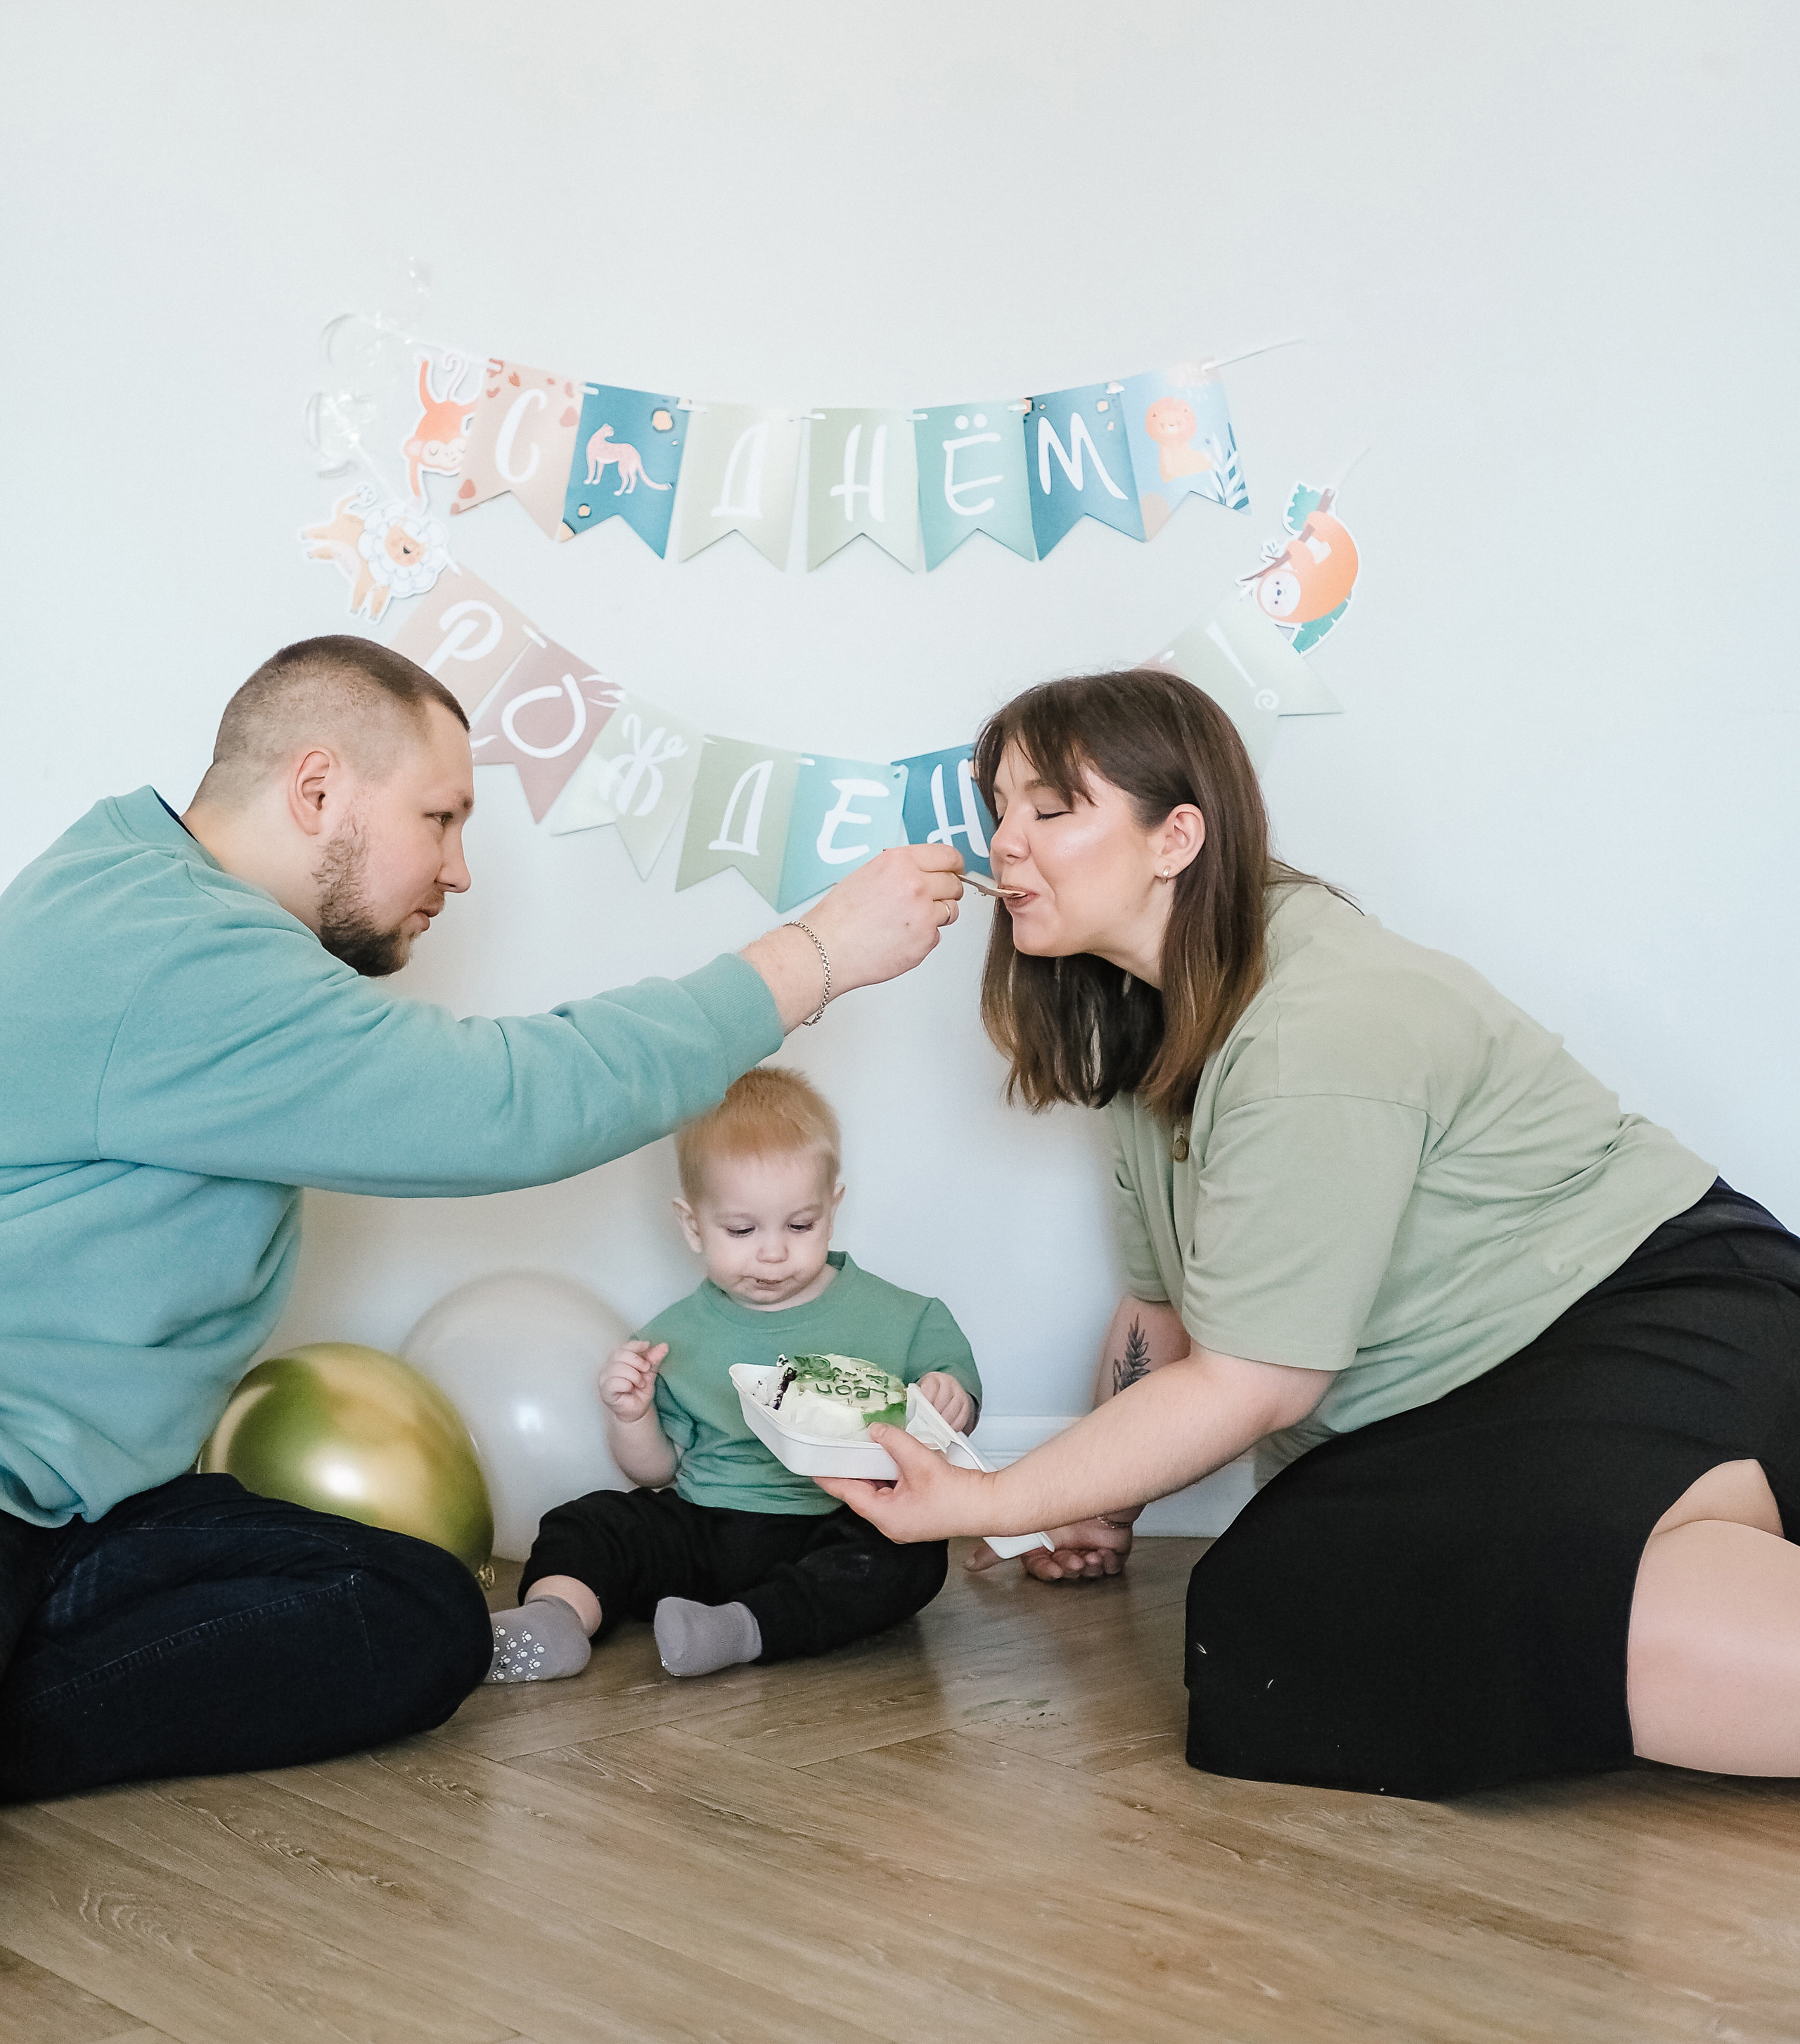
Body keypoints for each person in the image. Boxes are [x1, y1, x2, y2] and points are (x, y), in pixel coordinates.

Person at [0, 635, 964, 1802]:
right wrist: (812, 956)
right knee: (395, 1621)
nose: (459, 870)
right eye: (441, 816)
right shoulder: (167, 949)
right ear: (317, 789)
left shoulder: (133, 881)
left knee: (415, 1609)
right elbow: (503, 1103)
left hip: (77, 1504)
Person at [820, 667, 1800, 1799]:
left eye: (1051, 808)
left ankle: (1695, 1516)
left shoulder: (1308, 1031)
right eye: (998, 810)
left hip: (1653, 1325)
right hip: (1495, 1399)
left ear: (1176, 835)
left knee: (1309, 1602)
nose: (1006, 845)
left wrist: (989, 1499)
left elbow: (1253, 1384)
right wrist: (1101, 1500)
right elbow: (1165, 1314)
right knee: (1277, 1591)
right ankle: (1707, 1523)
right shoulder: (1152, 1033)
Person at [488, 1066, 980, 1685]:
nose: (772, 1253)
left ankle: (739, 1629)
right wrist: (632, 1414)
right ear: (693, 1223)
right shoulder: (674, 1336)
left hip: (832, 1527)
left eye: (799, 1225)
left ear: (833, 1207)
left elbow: (954, 1405)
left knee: (908, 1554)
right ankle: (555, 1618)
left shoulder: (905, 1317)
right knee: (589, 1520)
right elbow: (656, 1470)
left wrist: (948, 1396)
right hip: (706, 1524)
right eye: (742, 1230)